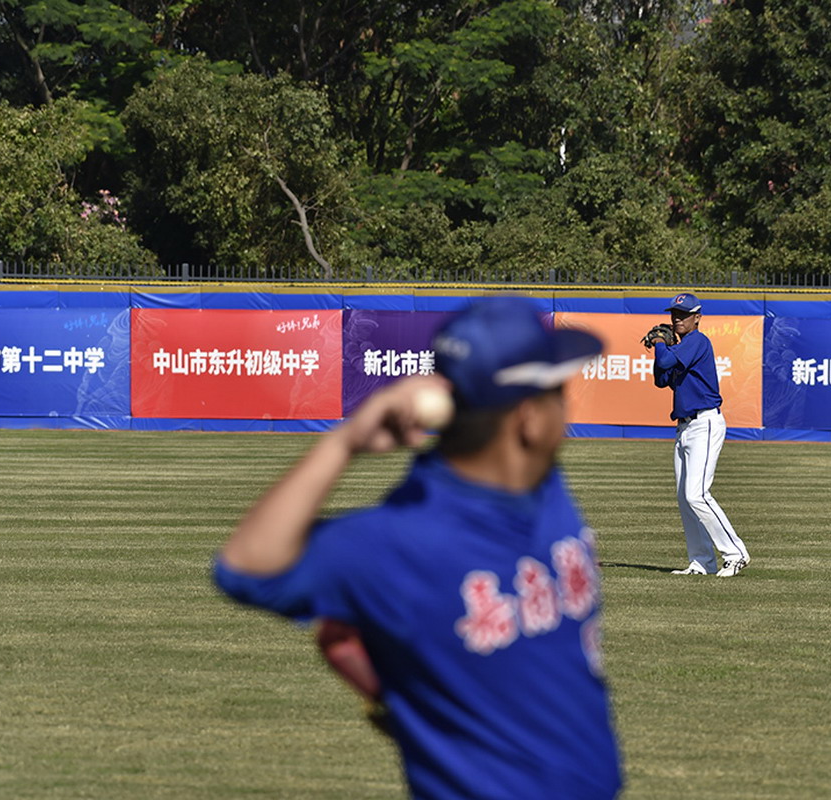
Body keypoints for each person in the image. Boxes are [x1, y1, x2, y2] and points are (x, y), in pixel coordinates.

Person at [213, 296, 623, 800]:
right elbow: (245, 566)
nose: (566, 411)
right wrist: (344, 442)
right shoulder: (397, 542)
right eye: (557, 393)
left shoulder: (540, 488)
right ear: (529, 421)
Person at [645, 292, 750, 578]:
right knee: (685, 499)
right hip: (684, 428)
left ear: (697, 317)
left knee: (697, 494)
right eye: (674, 314)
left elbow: (665, 363)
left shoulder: (697, 341)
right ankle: (702, 561)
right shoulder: (679, 348)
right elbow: (661, 379)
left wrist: (659, 343)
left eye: (684, 314)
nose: (677, 319)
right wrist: (663, 347)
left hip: (705, 423)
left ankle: (736, 554)